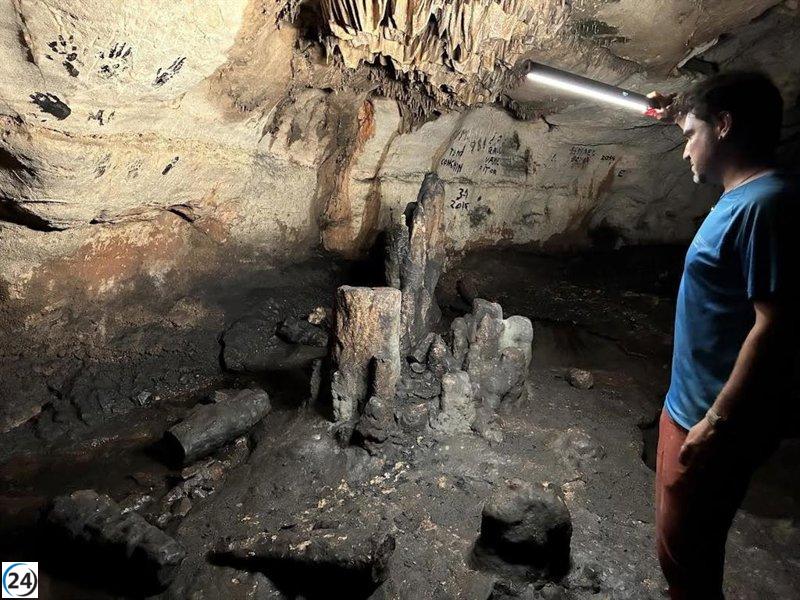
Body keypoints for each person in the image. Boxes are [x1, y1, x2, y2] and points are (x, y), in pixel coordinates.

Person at [648, 72, 798, 599]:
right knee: (677, 549)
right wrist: (681, 109)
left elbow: (777, 323)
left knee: (688, 558)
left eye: (691, 134)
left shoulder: (767, 205)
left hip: (711, 422)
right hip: (687, 405)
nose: (684, 148)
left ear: (725, 126)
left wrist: (716, 423)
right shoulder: (742, 198)